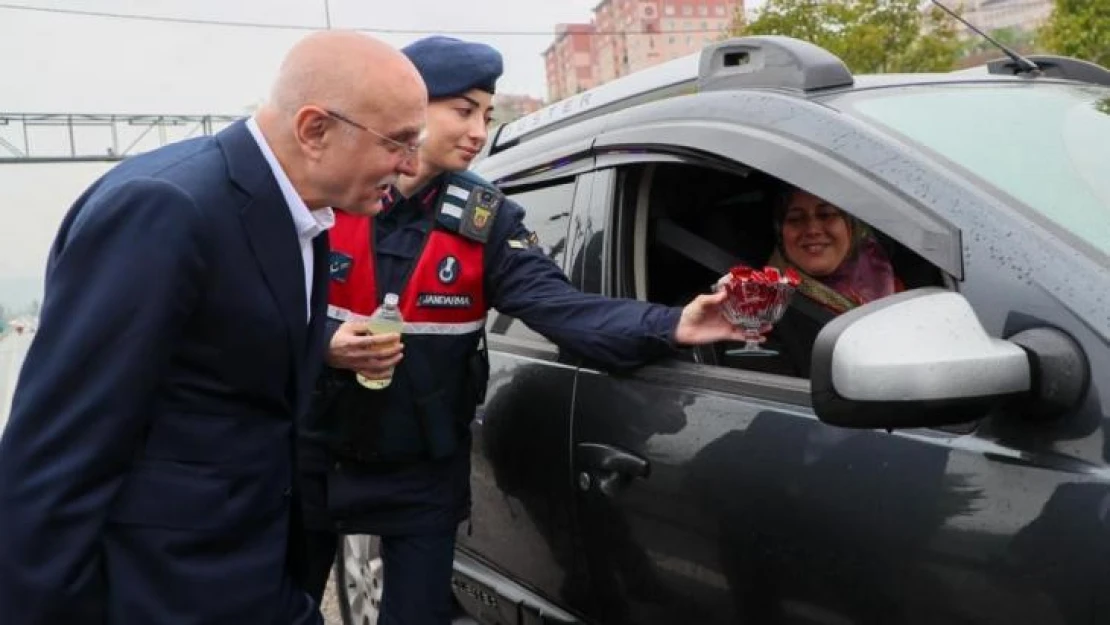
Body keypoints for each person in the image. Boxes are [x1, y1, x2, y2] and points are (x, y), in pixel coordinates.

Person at [296, 36, 747, 625]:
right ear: (409, 106)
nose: (480, 129)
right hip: (309, 455)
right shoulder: (326, 199)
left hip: (421, 468)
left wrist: (675, 324)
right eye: (463, 110)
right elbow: (247, 318)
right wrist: (323, 347)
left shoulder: (487, 218)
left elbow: (562, 309)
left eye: (486, 112)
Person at [0, 31, 426, 625]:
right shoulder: (166, 207)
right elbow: (59, 454)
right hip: (161, 589)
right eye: (398, 143)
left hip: (251, 575)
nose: (410, 165)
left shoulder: (308, 218)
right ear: (315, 130)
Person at [723, 187, 904, 377]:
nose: (812, 230)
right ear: (780, 231)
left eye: (826, 215)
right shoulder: (757, 311)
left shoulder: (894, 285)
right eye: (795, 219)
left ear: (853, 225)